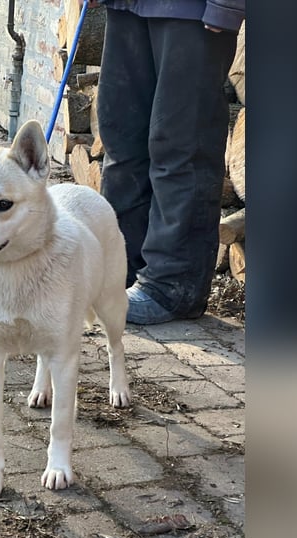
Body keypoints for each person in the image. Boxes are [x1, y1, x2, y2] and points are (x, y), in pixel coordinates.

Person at [87, 0, 245, 324]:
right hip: (127, 7)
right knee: (122, 139)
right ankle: (119, 271)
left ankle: (172, 287)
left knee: (181, 145)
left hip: (192, 12)